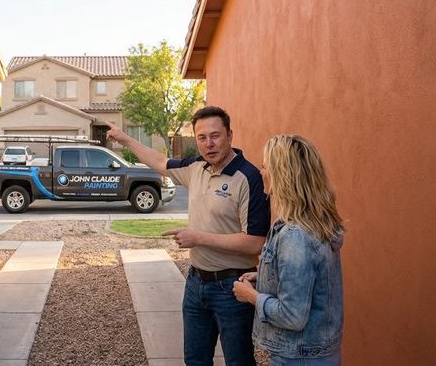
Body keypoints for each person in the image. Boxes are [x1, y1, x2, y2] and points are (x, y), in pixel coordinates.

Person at [107, 106, 270, 366]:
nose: (209, 144)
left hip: (233, 287)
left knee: (239, 361)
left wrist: (199, 238)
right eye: (202, 138)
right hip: (196, 283)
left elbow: (255, 241)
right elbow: (160, 162)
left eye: (215, 136)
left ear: (230, 135)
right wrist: (125, 138)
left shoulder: (248, 178)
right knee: (194, 360)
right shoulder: (196, 166)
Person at [232, 135, 344, 365]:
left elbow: (292, 315)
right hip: (314, 353)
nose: (261, 172)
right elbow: (307, 282)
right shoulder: (314, 224)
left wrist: (251, 296)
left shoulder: (296, 236)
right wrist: (264, 275)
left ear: (281, 175)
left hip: (300, 357)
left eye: (265, 166)